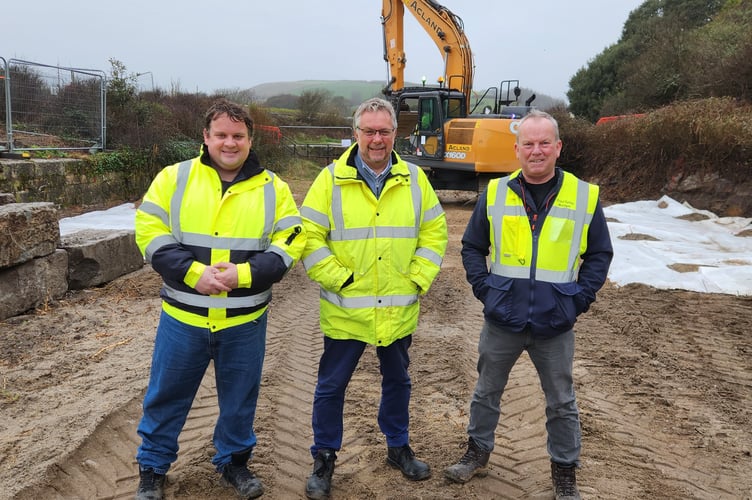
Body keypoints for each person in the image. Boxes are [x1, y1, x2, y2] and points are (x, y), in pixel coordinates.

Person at [133, 99, 306, 500]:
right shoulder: (174, 179)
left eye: (238, 136)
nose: (230, 143)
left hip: (243, 321)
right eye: (222, 135)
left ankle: (234, 463)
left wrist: (243, 275)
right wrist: (195, 274)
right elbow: (149, 229)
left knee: (240, 399)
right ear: (206, 138)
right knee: (166, 395)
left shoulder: (273, 189)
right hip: (184, 319)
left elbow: (291, 240)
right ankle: (153, 468)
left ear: (249, 139)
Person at [445, 109, 613, 500]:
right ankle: (477, 453)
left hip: (555, 323)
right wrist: (487, 291)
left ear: (558, 147)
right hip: (503, 319)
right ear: (517, 149)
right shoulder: (496, 193)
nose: (536, 151)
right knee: (486, 391)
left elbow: (599, 255)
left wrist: (577, 301)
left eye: (544, 143)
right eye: (528, 144)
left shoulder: (584, 196)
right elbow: (472, 247)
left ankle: (565, 471)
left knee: (561, 401)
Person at [299, 97, 448, 500]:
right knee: (331, 387)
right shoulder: (329, 180)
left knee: (398, 381)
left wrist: (416, 279)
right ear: (356, 134)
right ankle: (324, 457)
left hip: (398, 307)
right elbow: (308, 237)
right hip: (346, 310)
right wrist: (339, 279)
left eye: (384, 131)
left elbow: (435, 234)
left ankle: (398, 448)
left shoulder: (416, 179)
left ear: (396, 134)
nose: (377, 139)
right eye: (369, 131)